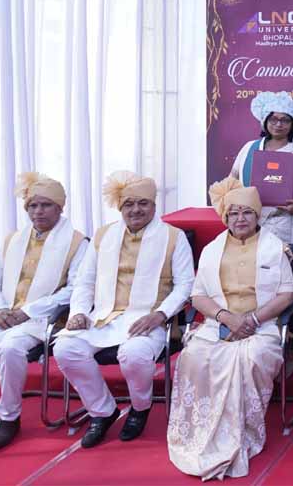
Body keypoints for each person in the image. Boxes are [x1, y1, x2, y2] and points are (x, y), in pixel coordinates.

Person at [54, 171, 194, 447]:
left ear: (154, 205)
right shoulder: (104, 235)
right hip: (104, 317)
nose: (135, 210)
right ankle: (102, 411)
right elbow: (85, 280)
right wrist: (79, 311)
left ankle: (140, 408)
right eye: (128, 204)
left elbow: (185, 285)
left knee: (134, 354)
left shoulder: (173, 237)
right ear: (119, 207)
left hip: (149, 318)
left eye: (143, 203)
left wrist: (160, 314)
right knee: (65, 348)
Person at [167, 178, 293, 480]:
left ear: (257, 215)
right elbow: (198, 296)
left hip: (261, 325)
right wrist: (226, 317)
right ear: (225, 217)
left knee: (250, 358)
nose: (240, 219)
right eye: (234, 213)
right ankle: (201, 432)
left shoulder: (274, 248)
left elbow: (287, 294)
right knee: (193, 357)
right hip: (219, 323)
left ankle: (240, 432)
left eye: (247, 212)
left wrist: (252, 320)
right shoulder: (212, 250)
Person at [0, 173, 90, 451]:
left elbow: (75, 289)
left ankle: (8, 417)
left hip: (42, 319)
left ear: (60, 207)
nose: (38, 211)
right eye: (33, 206)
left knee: (9, 349)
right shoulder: (12, 240)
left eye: (46, 205)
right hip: (3, 315)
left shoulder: (77, 243)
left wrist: (27, 311)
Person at [231, 90, 293, 257]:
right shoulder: (249, 149)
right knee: (253, 268)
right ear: (265, 121)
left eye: (285, 120)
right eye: (273, 119)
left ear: (292, 123)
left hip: (287, 224)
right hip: (253, 222)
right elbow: (232, 181)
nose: (279, 124)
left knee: (286, 268)